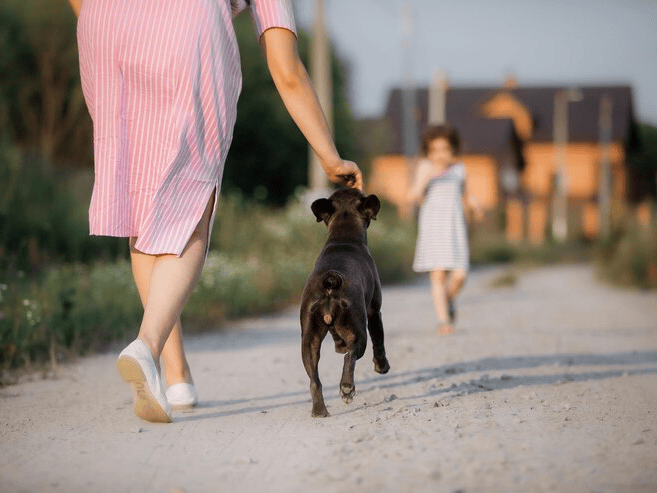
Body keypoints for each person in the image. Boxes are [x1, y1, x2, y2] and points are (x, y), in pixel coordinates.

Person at [67, 0, 362, 423]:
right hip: (187, 31)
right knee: (193, 200)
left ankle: (177, 375)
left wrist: (115, 20)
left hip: (104, 26)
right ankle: (147, 346)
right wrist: (330, 157)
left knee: (142, 199)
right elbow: (287, 71)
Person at [406, 125, 482, 336]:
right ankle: (443, 320)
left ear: (453, 149)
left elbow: (467, 194)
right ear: (428, 151)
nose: (440, 154)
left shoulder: (459, 169)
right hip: (434, 228)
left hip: (455, 228)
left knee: (460, 274)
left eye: (445, 149)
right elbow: (412, 196)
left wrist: (475, 205)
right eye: (435, 149)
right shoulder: (424, 167)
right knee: (438, 275)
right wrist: (426, 178)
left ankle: (447, 300)